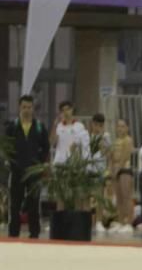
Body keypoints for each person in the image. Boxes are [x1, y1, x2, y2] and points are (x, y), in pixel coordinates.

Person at [4, 95, 48, 238]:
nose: (27, 110)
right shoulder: (12, 127)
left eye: (29, 107)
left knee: (34, 204)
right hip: (16, 171)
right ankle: (13, 233)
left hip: (34, 172)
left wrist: (39, 164)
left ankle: (34, 233)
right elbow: (6, 147)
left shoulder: (40, 127)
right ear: (19, 108)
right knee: (15, 205)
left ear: (33, 109)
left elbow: (45, 148)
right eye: (24, 107)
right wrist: (11, 163)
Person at [87, 113, 112, 233]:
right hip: (87, 169)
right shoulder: (86, 136)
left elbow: (107, 153)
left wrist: (101, 137)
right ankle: (86, 221)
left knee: (99, 197)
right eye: (95, 124)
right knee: (86, 197)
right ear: (92, 124)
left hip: (99, 170)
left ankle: (99, 222)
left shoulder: (106, 137)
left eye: (100, 125)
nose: (97, 127)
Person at [109, 118, 135, 234]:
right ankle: (120, 222)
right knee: (119, 198)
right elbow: (111, 156)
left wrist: (117, 169)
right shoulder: (115, 141)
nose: (120, 128)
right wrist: (111, 170)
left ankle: (129, 223)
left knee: (126, 197)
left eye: (123, 126)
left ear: (127, 128)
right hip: (116, 169)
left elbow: (124, 156)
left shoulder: (128, 140)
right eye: (118, 126)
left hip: (124, 169)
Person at [51, 101, 88, 167]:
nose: (66, 112)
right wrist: (55, 125)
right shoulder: (59, 126)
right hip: (60, 161)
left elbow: (84, 143)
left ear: (72, 109)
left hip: (74, 162)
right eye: (63, 110)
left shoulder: (79, 126)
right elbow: (53, 142)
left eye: (68, 109)